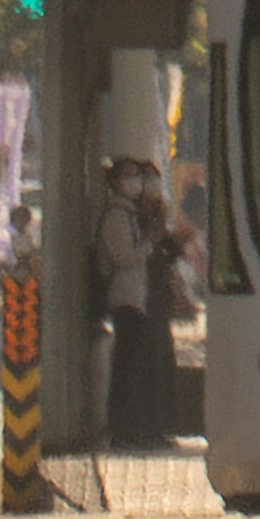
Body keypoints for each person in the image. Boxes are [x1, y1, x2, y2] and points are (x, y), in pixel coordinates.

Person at [93, 156, 191, 452]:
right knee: (130, 367)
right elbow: (122, 257)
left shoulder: (145, 214)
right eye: (131, 177)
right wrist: (150, 243)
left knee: (155, 365)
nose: (138, 183)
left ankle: (154, 428)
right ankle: (126, 429)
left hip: (151, 299)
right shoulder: (116, 216)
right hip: (131, 300)